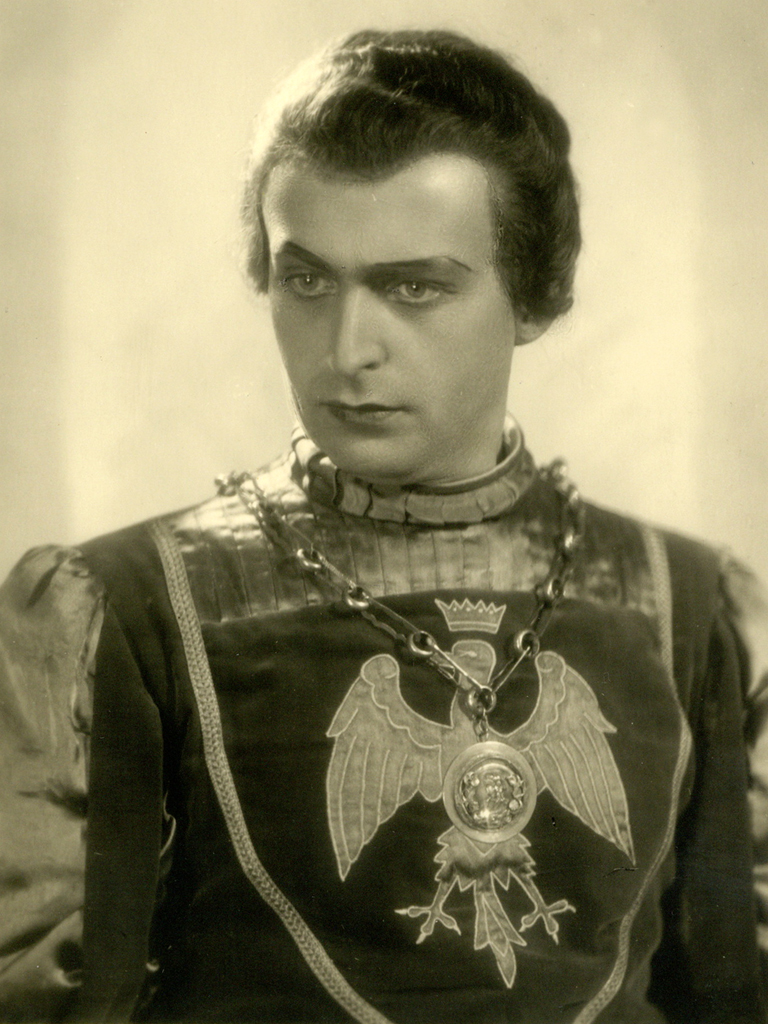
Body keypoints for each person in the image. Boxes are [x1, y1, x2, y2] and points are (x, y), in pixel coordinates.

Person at [0, 28, 766, 1024]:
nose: (349, 349)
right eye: (308, 281)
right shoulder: (120, 614)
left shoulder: (688, 603)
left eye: (415, 288)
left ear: (534, 299)